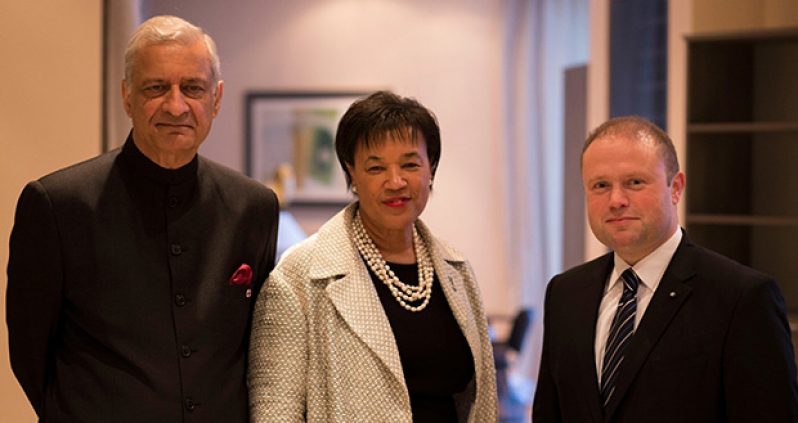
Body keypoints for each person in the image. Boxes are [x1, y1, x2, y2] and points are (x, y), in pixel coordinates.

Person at [6, 15, 279, 422]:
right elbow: (30, 353)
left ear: (216, 99)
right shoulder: (57, 205)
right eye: (156, 87)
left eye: (193, 88)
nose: (176, 105)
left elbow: (257, 348)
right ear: (127, 96)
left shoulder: (253, 207)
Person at [248, 91, 498, 422]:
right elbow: (275, 411)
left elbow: (480, 403)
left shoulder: (457, 271)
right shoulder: (299, 275)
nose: (395, 182)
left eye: (410, 164)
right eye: (376, 167)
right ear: (352, 174)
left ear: (431, 169)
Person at [532, 116, 798, 422]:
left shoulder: (742, 298)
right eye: (601, 185)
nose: (616, 200)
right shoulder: (565, 293)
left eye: (635, 182)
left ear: (676, 188)